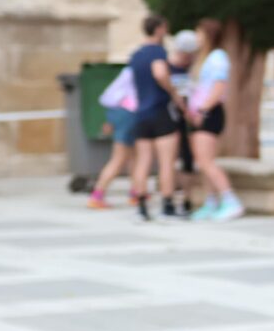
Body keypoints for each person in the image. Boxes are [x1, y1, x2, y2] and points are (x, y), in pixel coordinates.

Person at [180, 20, 244, 220]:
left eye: (199, 33)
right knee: (201, 162)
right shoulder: (203, 58)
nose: (196, 37)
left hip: (209, 113)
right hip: (199, 113)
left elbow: (218, 87)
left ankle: (230, 200)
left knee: (206, 161)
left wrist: (203, 110)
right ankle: (211, 202)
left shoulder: (217, 57)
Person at [124, 16, 181, 222]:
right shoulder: (157, 51)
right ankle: (167, 206)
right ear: (158, 29)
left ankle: (141, 206)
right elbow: (160, 73)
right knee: (166, 162)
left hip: (141, 112)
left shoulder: (136, 54)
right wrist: (173, 91)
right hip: (160, 110)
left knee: (143, 161)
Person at [86, 66, 138, 210]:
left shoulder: (129, 70)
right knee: (119, 159)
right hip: (129, 114)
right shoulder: (137, 69)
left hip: (122, 113)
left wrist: (111, 121)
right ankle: (97, 195)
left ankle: (136, 192)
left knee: (134, 157)